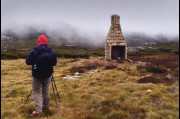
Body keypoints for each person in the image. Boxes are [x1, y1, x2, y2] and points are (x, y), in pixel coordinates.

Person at [26, 35, 57, 115]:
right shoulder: (51, 51)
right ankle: (45, 106)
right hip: (48, 74)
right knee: (45, 90)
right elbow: (54, 63)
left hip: (36, 75)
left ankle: (38, 110)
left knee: (36, 91)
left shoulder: (34, 50)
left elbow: (28, 61)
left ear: (38, 42)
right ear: (46, 41)